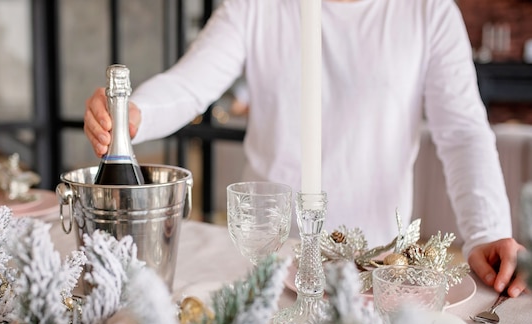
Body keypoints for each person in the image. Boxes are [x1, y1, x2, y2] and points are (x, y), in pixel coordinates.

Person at [84, 0, 527, 297]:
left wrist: (487, 230)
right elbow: (191, 83)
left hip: (380, 268)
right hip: (269, 261)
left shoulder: (427, 10)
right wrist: (135, 111)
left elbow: (463, 132)